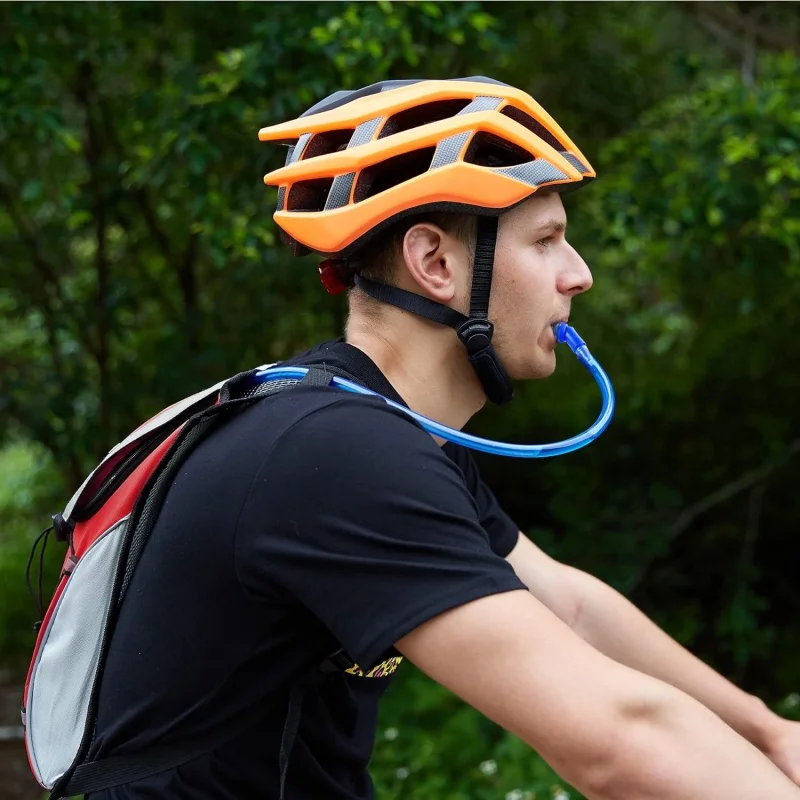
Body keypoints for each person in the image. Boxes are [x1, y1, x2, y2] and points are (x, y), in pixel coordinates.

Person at [84, 77, 800, 799]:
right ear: (436, 263)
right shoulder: (336, 456)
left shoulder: (379, 429)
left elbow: (571, 607)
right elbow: (619, 744)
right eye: (547, 241)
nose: (578, 275)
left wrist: (771, 733)